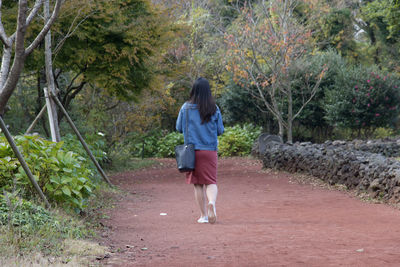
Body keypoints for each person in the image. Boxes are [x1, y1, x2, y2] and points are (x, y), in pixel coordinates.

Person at [176, 77, 224, 224]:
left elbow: (178, 128)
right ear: (208, 91)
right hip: (209, 150)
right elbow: (220, 130)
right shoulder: (214, 108)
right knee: (211, 181)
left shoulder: (185, 108)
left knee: (197, 184)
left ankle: (203, 215)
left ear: (194, 90)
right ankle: (212, 204)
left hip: (192, 151)